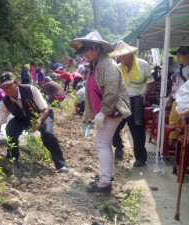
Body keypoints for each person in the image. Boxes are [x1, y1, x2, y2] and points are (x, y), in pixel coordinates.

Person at [70, 30, 131, 192]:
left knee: (101, 143)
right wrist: (89, 113)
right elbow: (91, 91)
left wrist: (103, 112)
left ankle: (105, 181)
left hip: (112, 110)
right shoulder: (95, 65)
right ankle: (107, 175)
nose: (85, 54)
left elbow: (111, 91)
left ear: (97, 48)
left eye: (87, 50)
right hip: (105, 111)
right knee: (105, 143)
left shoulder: (107, 65)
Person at [0, 72, 69, 173]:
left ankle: (60, 164)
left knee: (47, 134)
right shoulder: (5, 102)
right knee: (10, 128)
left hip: (42, 115)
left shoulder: (30, 90)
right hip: (23, 118)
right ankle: (12, 156)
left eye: (10, 85)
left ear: (16, 83)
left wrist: (39, 121)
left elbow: (45, 109)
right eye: (4, 87)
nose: (7, 89)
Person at [109, 41, 155, 164]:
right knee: (114, 126)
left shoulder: (143, 64)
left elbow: (151, 82)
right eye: (118, 55)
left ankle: (140, 158)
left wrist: (145, 94)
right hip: (122, 100)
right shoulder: (118, 67)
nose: (119, 57)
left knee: (137, 130)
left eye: (121, 55)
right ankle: (119, 147)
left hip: (136, 100)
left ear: (129, 54)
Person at [166, 45, 189, 147]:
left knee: (186, 127)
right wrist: (170, 96)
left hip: (187, 104)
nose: (177, 57)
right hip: (177, 101)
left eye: (180, 55)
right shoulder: (179, 69)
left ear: (187, 56)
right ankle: (171, 145)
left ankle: (183, 148)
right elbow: (177, 86)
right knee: (173, 124)